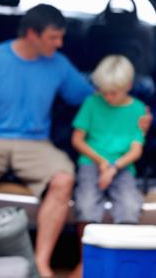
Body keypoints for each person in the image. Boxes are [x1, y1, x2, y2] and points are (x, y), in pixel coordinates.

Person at [0, 3, 93, 278]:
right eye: (53, 37)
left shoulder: (58, 64)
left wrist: (135, 113)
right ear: (32, 34)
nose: (60, 43)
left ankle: (41, 264)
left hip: (35, 143)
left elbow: (92, 98)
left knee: (63, 178)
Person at [69, 55, 145, 278]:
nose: (107, 97)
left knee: (130, 205)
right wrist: (102, 162)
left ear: (128, 86)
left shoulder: (138, 109)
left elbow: (136, 149)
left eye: (114, 92)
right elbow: (78, 139)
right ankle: (86, 260)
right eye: (104, 91)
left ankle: (121, 259)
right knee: (85, 204)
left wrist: (112, 167)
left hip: (122, 166)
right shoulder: (92, 102)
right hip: (91, 163)